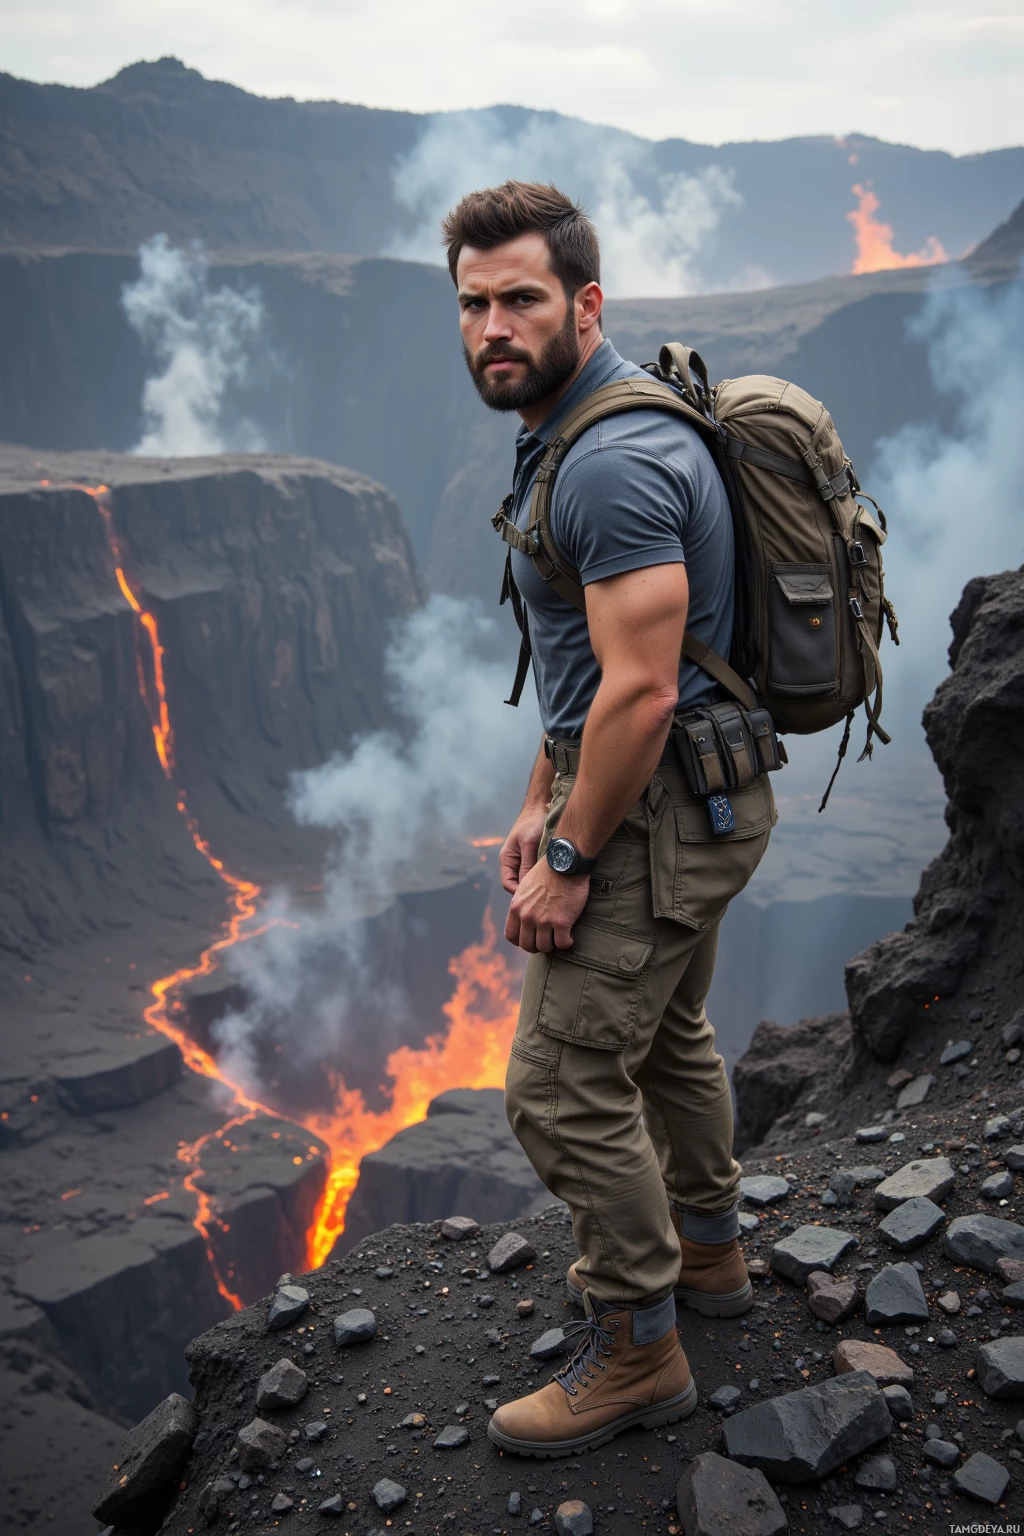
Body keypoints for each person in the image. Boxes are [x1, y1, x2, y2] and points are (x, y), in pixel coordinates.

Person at [442, 181, 776, 1458]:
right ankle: (710, 1256)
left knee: (562, 1083)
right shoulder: (573, 425)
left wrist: (570, 855)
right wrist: (538, 795)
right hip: (703, 788)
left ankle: (638, 1350)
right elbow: (589, 673)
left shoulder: (616, 459)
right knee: (673, 1031)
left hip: (656, 809)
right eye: (472, 305)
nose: (492, 328)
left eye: (520, 298)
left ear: (585, 302)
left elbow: (637, 692)